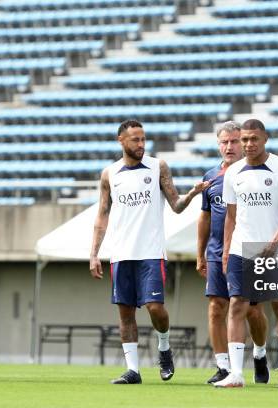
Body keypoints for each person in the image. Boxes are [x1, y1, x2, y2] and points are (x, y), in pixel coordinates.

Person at [90, 119, 209, 384]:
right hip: (121, 254)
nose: (141, 144)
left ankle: (164, 347)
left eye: (143, 139)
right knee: (126, 313)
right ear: (121, 141)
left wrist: (192, 194)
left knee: (156, 308)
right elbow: (102, 215)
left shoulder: (158, 167)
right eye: (135, 139)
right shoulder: (109, 174)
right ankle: (133, 370)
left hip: (151, 252)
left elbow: (176, 205)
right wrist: (94, 253)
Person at [214, 119, 278, 388]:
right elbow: (230, 217)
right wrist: (227, 250)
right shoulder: (233, 172)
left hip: (274, 252)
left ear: (265, 139)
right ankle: (237, 373)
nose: (249, 144)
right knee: (237, 305)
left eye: (254, 139)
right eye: (244, 140)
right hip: (242, 249)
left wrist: (275, 241)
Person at [196, 121, 270, 385]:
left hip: (249, 250)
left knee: (252, 311)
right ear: (218, 145)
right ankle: (224, 367)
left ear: (244, 142)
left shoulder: (255, 173)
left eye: (235, 141)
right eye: (224, 142)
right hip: (218, 251)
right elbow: (204, 217)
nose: (230, 146)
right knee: (217, 307)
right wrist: (200, 253)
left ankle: (260, 353)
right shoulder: (210, 177)